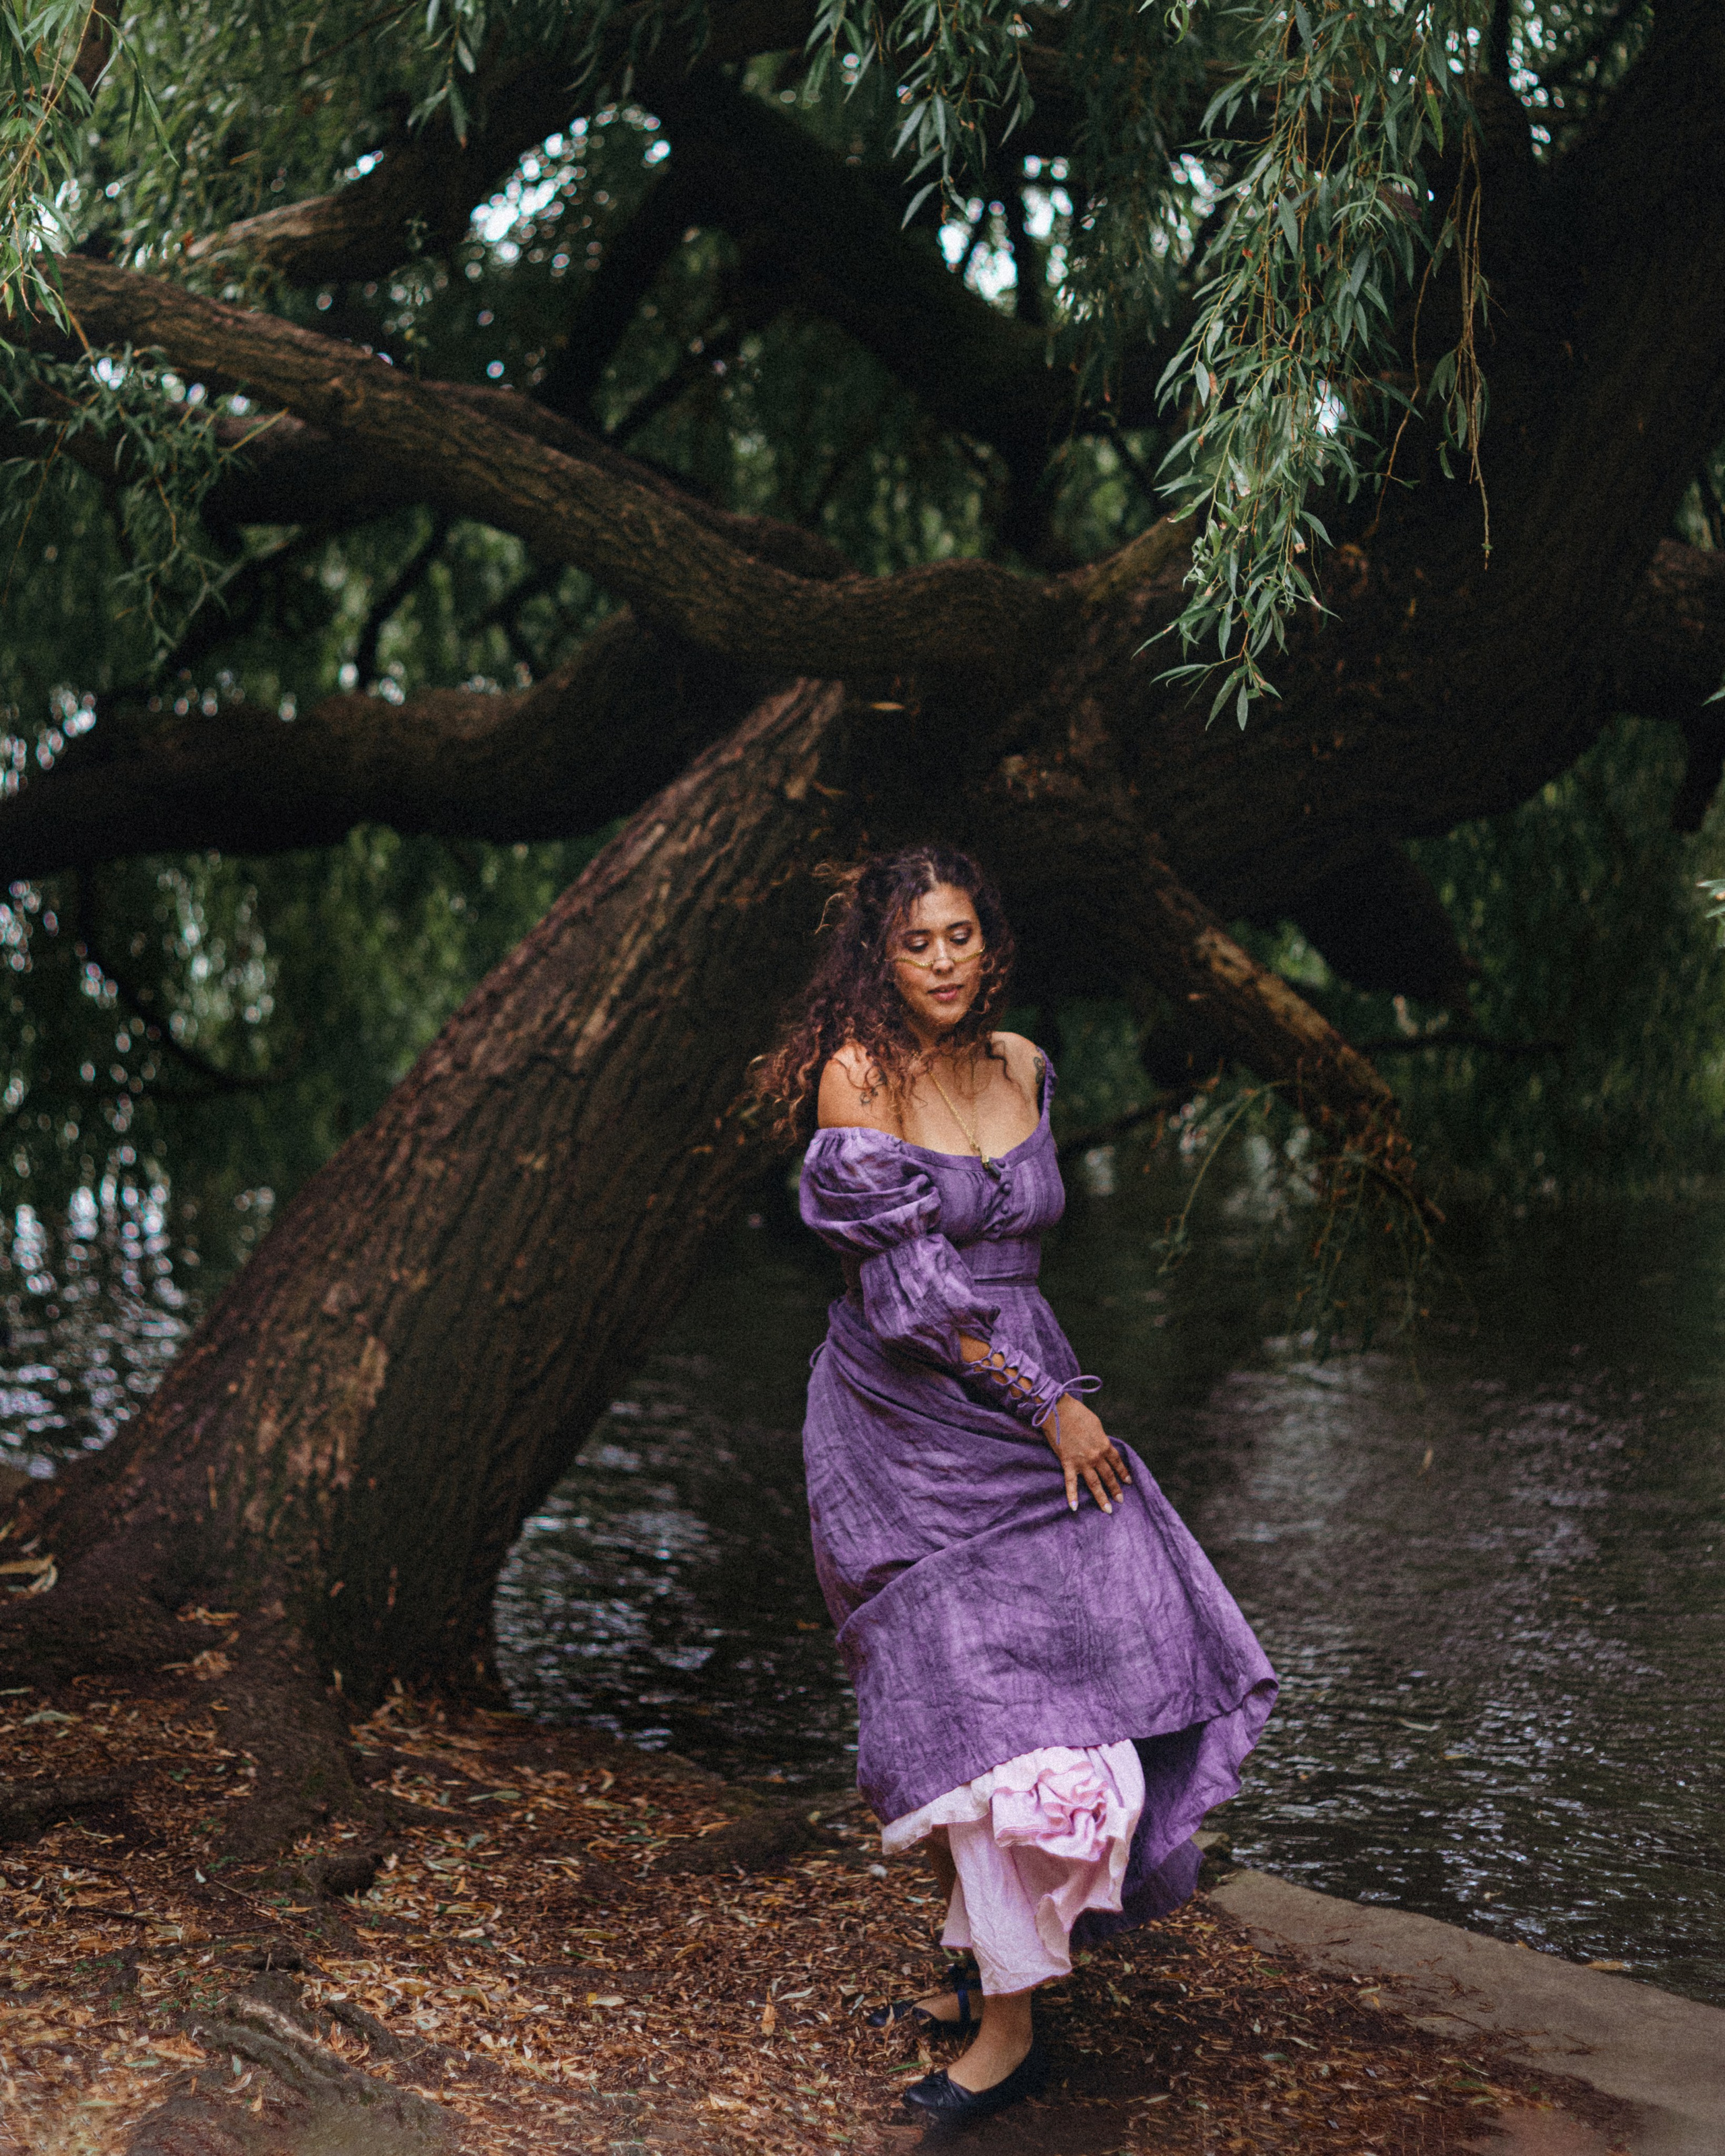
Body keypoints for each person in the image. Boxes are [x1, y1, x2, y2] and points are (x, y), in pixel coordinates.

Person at [755, 844, 1277, 2126]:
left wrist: (1051, 1399)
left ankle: (988, 1964)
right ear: (880, 957)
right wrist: (1052, 1407)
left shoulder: (1030, 1065)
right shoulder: (857, 1079)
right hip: (904, 1418)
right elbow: (908, 1292)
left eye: (962, 935)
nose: (941, 960)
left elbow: (1020, 1255)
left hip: (1034, 1397)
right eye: (916, 941)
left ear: (994, 944)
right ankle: (1007, 2029)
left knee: (1101, 1657)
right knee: (960, 1701)